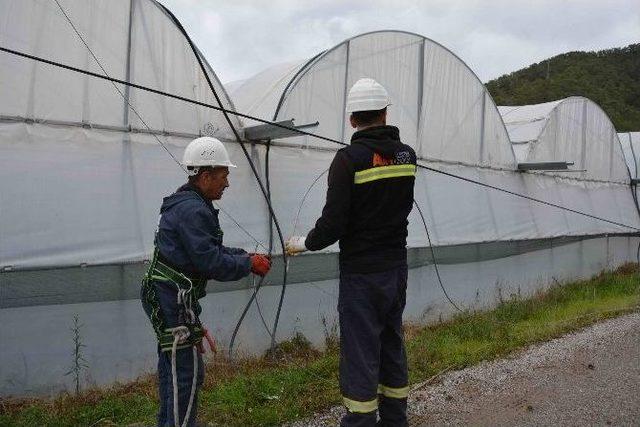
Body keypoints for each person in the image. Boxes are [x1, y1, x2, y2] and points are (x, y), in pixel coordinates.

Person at [286, 78, 417, 427]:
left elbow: (333, 225)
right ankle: (395, 419)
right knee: (391, 342)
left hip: (362, 273)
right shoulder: (407, 156)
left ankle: (360, 421)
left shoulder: (348, 160)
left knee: (360, 350)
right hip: (396, 267)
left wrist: (304, 242)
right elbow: (401, 205)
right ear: (386, 112)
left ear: (351, 120)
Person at [141, 136, 271, 427]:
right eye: (224, 176)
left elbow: (206, 252)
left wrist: (245, 256)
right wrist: (248, 263)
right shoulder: (193, 210)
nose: (227, 183)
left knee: (179, 372)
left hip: (172, 299)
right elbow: (209, 262)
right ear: (206, 175)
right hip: (170, 300)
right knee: (183, 375)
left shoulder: (189, 204)